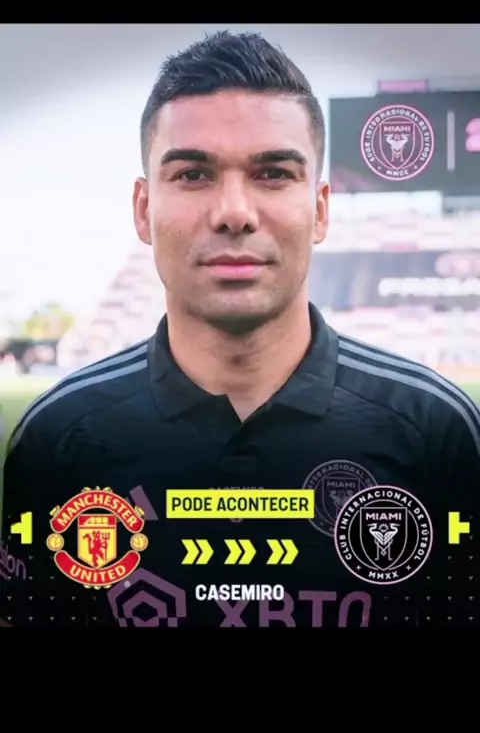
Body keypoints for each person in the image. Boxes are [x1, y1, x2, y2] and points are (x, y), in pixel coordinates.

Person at [1, 31, 479, 629]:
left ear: (321, 210)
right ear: (144, 210)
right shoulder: (58, 439)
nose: (234, 212)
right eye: (193, 174)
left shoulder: (437, 432)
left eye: (273, 173)